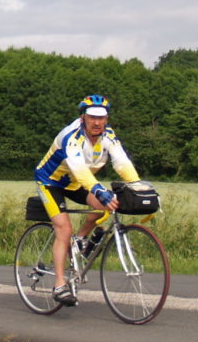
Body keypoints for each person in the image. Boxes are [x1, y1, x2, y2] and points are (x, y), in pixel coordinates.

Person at [33, 94, 140, 306]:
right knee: (63, 228)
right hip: (51, 182)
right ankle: (60, 284)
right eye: (92, 117)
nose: (97, 122)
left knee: (105, 207)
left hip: (74, 183)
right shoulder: (71, 137)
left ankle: (81, 239)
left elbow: (122, 163)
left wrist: (139, 187)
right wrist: (99, 190)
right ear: (83, 117)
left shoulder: (109, 136)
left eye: (102, 118)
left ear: (107, 119)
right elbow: (80, 170)